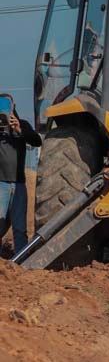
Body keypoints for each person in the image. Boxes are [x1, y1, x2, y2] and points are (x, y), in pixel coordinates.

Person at [0, 100, 41, 256]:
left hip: (19, 185)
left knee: (19, 227)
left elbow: (37, 141)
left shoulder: (22, 125)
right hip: (1, 184)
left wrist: (19, 128)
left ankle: (21, 260)